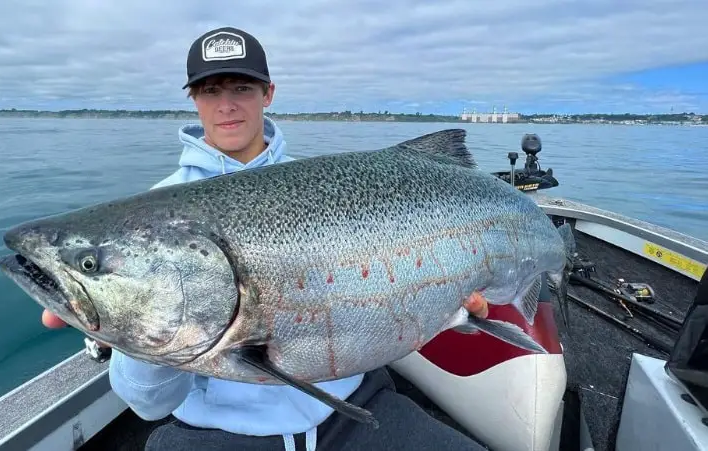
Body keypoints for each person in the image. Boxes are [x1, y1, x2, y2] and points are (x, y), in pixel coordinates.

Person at [41, 26, 489, 451]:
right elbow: (148, 404)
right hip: (220, 435)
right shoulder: (151, 215)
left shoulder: (323, 186)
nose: (226, 104)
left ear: (267, 94)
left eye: (241, 88)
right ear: (193, 99)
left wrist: (454, 311)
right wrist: (124, 322)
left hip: (354, 413)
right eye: (211, 90)